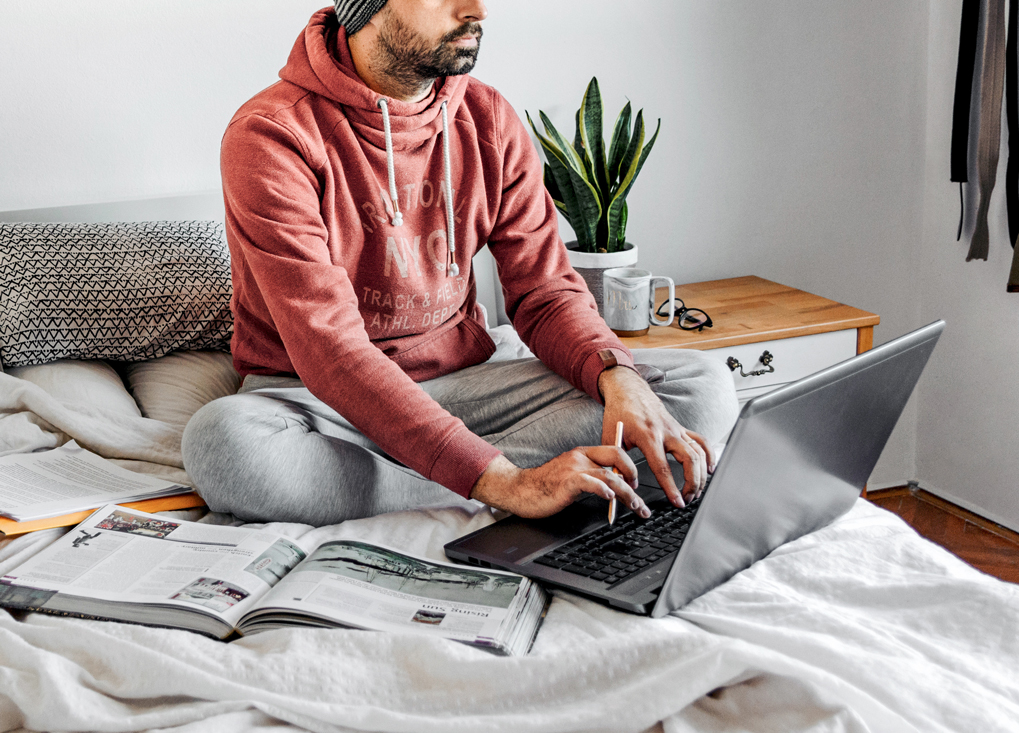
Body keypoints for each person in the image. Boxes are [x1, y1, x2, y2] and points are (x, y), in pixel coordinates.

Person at [181, 0, 739, 526]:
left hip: (468, 384)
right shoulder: (271, 134)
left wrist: (618, 380)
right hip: (321, 405)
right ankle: (508, 482)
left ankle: (454, 477)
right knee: (224, 445)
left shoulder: (487, 116)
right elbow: (332, 354)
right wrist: (510, 486)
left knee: (700, 385)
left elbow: (546, 292)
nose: (477, 9)